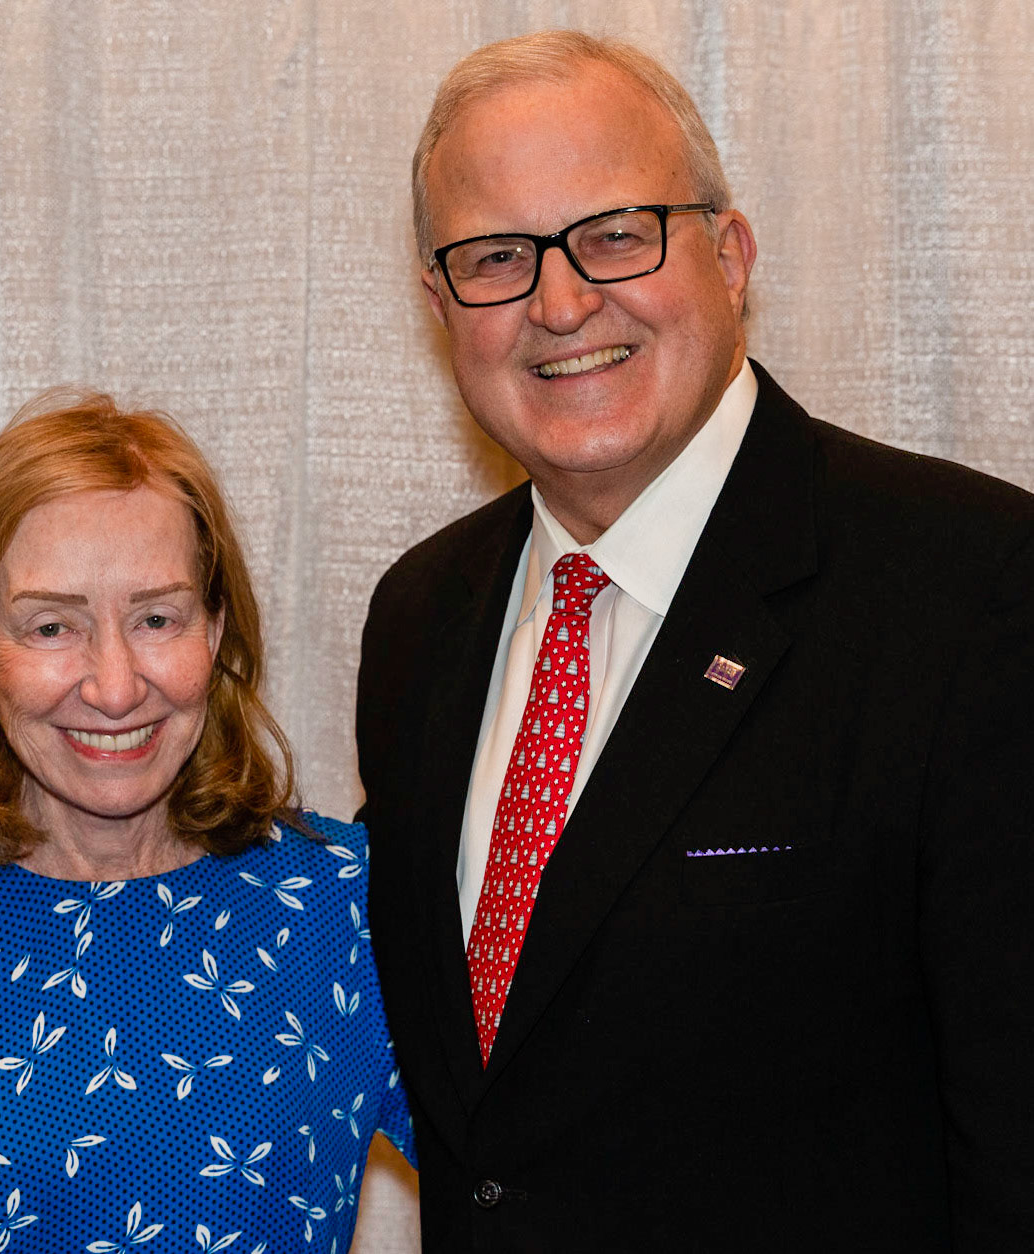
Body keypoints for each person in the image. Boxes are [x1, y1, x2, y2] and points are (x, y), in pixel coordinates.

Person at [357, 29, 1034, 1253]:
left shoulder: (975, 590)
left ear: (728, 256)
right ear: (439, 304)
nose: (560, 304)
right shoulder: (418, 619)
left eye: (616, 234)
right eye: (496, 256)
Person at [0, 390, 411, 1251]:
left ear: (214, 633)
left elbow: (534, 1170)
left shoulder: (348, 904)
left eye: (156, 618)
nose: (115, 686)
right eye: (52, 627)